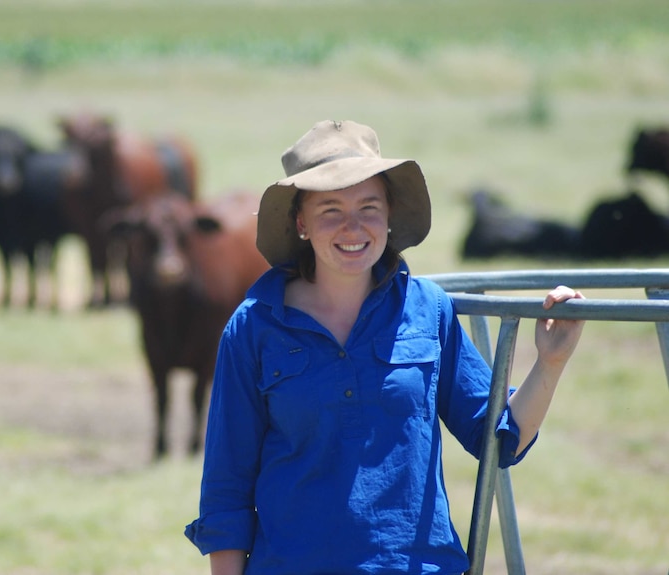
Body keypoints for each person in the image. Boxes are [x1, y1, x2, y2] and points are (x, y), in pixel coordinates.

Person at [184, 120, 585, 575]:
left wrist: (550, 363)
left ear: (390, 214)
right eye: (330, 209)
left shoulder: (428, 309)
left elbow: (499, 438)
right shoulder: (254, 326)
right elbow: (226, 488)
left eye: (368, 206)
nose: (353, 226)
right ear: (300, 222)